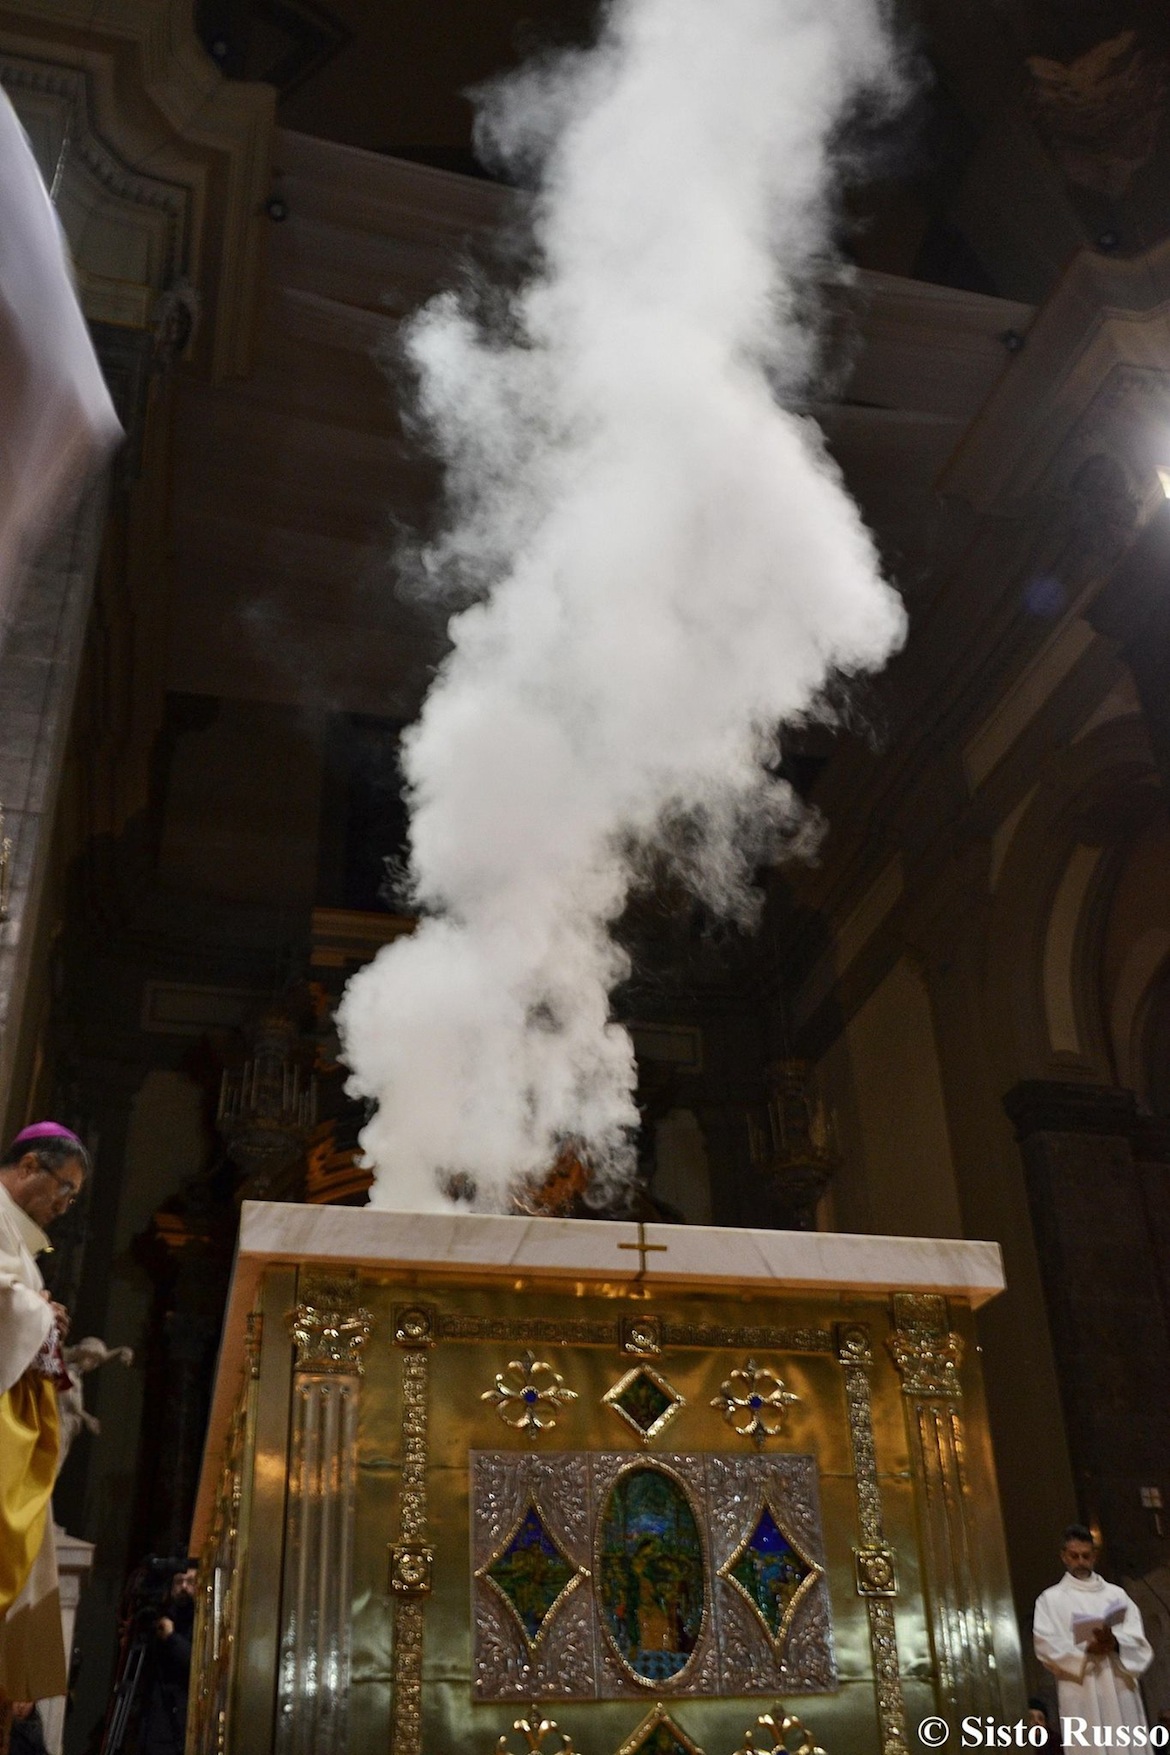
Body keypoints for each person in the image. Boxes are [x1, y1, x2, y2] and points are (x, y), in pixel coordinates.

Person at [0, 1123, 89, 1718]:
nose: (65, 1204)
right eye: (65, 1188)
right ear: (31, 1165)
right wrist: (37, 1311)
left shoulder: (19, 1236)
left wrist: (39, 1313)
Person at [1034, 1523, 1152, 1743]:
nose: (1080, 1561)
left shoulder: (1117, 1596)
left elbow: (1138, 1640)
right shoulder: (1050, 1599)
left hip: (1119, 1687)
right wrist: (1086, 1649)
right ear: (1064, 1556)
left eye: (1086, 1556)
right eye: (1074, 1556)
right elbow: (1046, 1646)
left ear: (1094, 1556)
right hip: (1081, 1690)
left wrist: (1116, 1643)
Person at [138, 1567, 197, 1755]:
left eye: (191, 1582)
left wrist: (172, 1638)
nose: (184, 1587)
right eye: (179, 1582)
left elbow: (195, 1664)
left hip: (180, 1721)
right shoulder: (162, 1617)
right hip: (156, 1718)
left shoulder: (200, 1623)